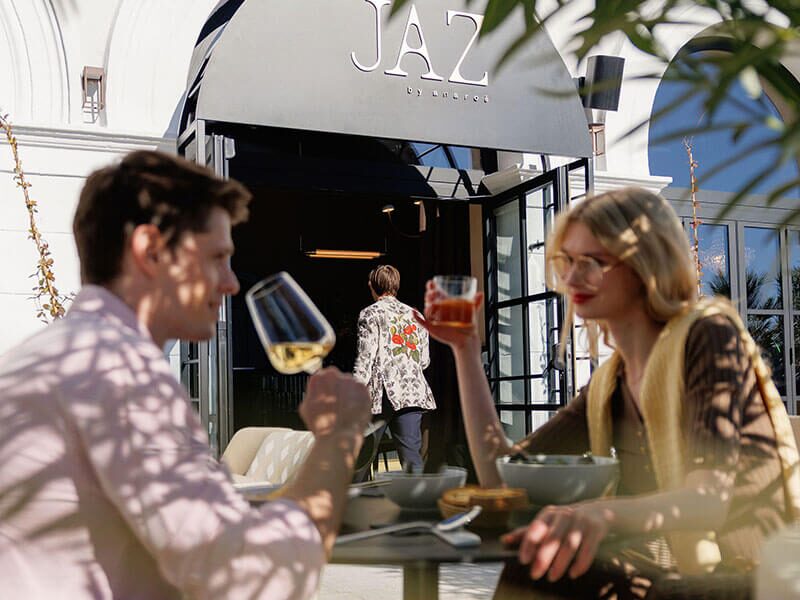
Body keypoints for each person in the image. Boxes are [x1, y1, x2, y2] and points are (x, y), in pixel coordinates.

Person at [0, 150, 372, 599]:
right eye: (218, 257)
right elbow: (250, 578)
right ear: (151, 251)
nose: (231, 282)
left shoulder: (43, 356)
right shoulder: (122, 374)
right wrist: (339, 440)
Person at [416, 187, 800, 598]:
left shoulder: (707, 335)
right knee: (534, 567)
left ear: (644, 266)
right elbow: (501, 475)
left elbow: (710, 498)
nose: (572, 278)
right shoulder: (610, 384)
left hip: (754, 580)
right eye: (567, 261)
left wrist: (600, 514)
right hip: (674, 577)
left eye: (593, 262)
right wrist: (466, 352)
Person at [353, 265, 435, 474]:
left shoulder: (370, 314)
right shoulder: (417, 316)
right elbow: (424, 361)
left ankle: (356, 504)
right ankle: (417, 503)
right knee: (411, 459)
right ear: (396, 285)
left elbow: (365, 359)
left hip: (381, 396)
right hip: (412, 392)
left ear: (372, 286)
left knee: (362, 457)